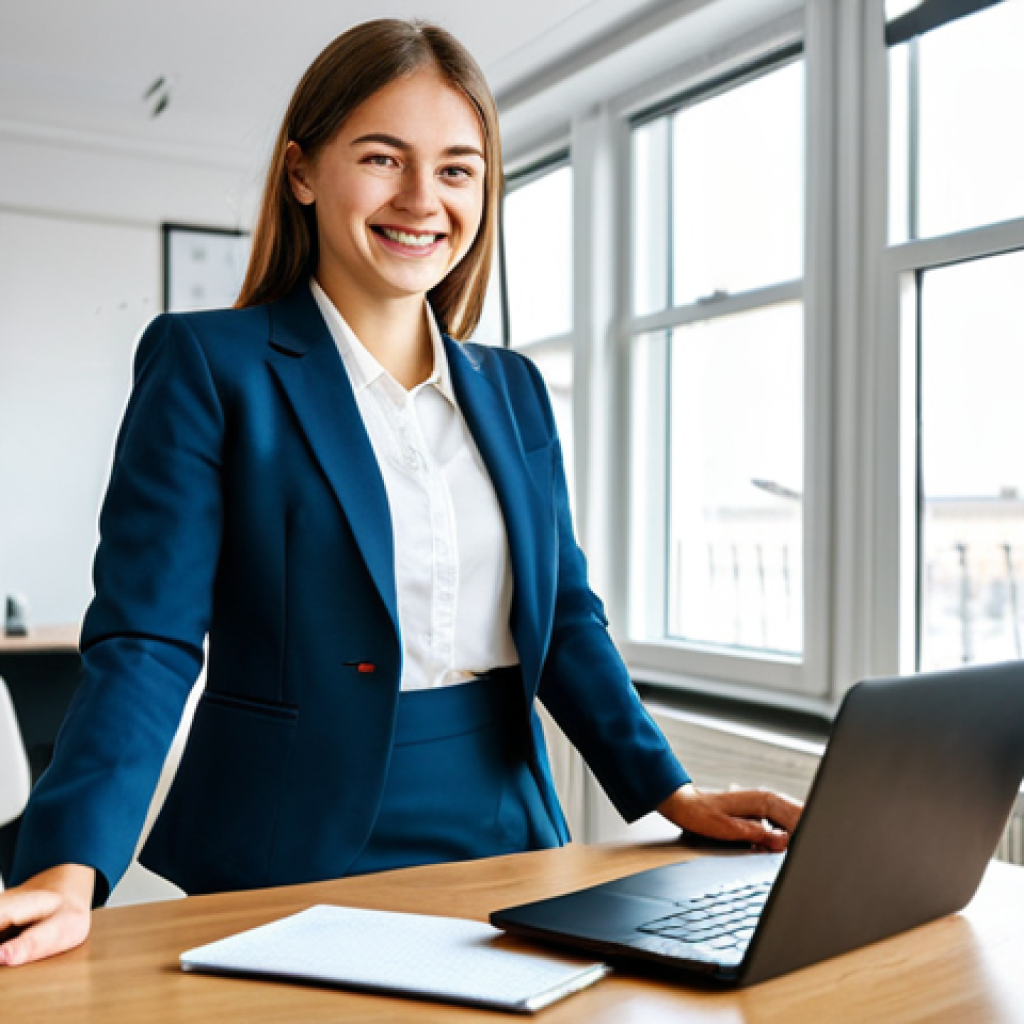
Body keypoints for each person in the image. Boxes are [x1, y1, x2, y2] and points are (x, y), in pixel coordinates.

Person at [0, 19, 801, 967]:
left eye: (458, 170)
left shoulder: (512, 389)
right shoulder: (212, 366)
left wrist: (671, 791)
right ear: (303, 171)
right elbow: (147, 638)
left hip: (505, 826)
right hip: (287, 844)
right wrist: (69, 863)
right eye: (383, 158)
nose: (423, 199)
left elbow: (567, 620)